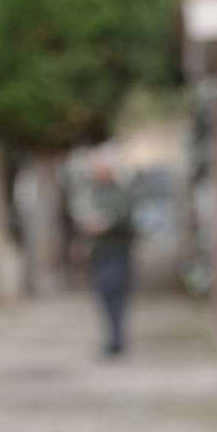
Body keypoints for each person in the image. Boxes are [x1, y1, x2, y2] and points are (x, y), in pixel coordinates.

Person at [74, 146, 135, 356]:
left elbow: (126, 218)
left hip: (117, 252)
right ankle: (112, 338)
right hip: (98, 254)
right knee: (104, 297)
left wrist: (105, 223)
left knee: (115, 293)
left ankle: (117, 340)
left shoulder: (120, 192)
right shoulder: (93, 192)